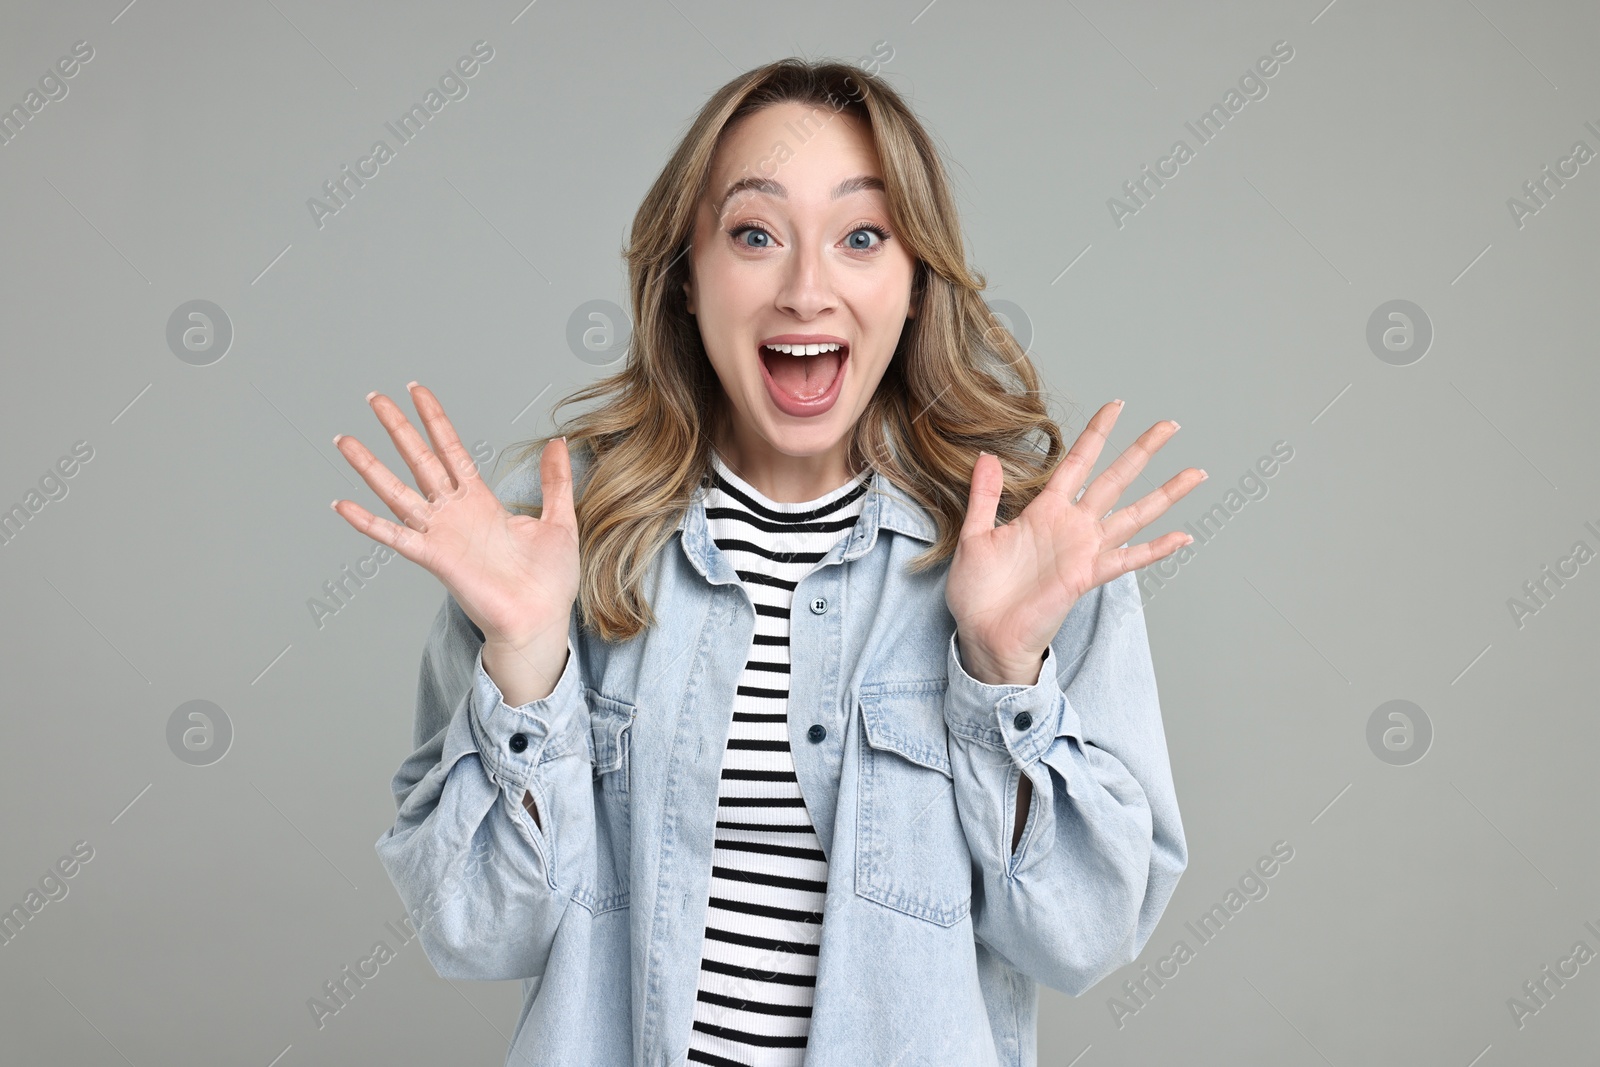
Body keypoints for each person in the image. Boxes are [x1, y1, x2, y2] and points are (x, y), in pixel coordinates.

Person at [335, 57, 1202, 1067]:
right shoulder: (562, 555)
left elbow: (1081, 936)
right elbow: (478, 931)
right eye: (754, 234)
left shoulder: (1030, 553)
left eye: (861, 236)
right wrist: (525, 661)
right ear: (686, 279)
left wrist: (1003, 672)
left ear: (914, 282)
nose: (804, 289)